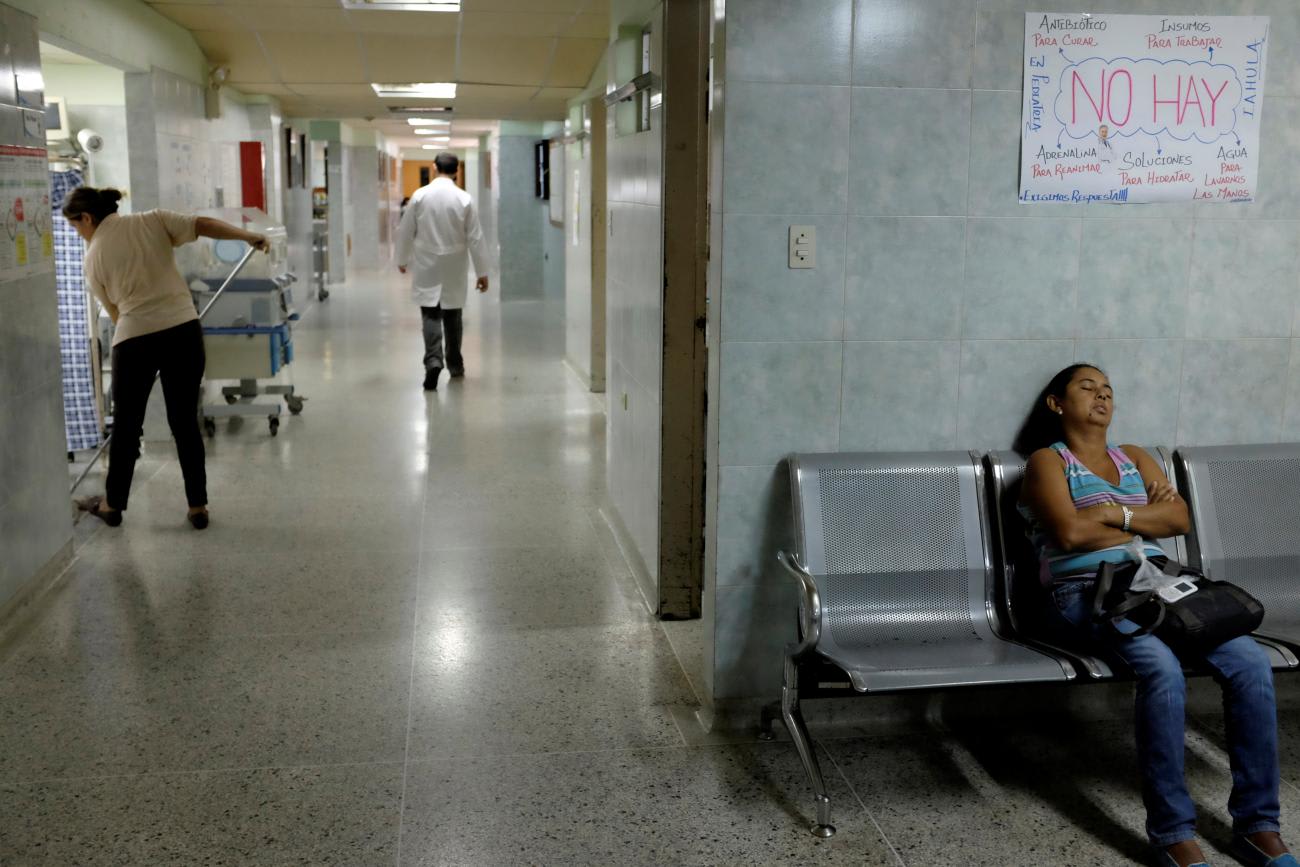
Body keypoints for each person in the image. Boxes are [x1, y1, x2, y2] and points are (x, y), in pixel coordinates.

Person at [1016, 364, 1293, 867]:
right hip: (1085, 590)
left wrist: (1105, 513)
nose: (1101, 396)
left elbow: (1179, 520)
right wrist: (1140, 521)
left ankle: (1258, 825)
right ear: (1057, 404)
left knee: (1250, 663)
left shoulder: (1136, 457)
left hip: (1159, 586)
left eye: (1108, 390)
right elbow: (1068, 537)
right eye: (1087, 388)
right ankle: (1172, 833)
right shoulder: (1047, 463)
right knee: (1161, 670)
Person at [66, 187, 268, 530]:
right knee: (185, 422)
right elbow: (202, 224)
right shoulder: (152, 219)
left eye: (75, 227)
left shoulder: (93, 256)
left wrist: (143, 339)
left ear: (86, 217)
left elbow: (115, 312)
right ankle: (197, 507)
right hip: (183, 332)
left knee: (127, 427)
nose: (78, 233)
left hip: (133, 339)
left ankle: (113, 505)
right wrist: (248, 235)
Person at [395, 152, 491, 391]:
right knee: (452, 315)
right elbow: (476, 238)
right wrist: (482, 272)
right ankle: (455, 365)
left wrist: (402, 258)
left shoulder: (419, 195)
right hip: (454, 263)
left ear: (434, 167)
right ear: (457, 170)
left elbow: (406, 230)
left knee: (430, 313)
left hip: (427, 261)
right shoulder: (464, 198)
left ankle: (433, 361)